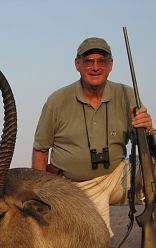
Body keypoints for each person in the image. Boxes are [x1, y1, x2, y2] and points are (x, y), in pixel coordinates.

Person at [32, 37, 156, 236]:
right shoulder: (57, 101)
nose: (95, 67)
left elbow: (147, 146)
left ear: (110, 65)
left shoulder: (127, 94)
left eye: (101, 61)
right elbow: (40, 150)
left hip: (117, 176)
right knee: (95, 243)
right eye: (89, 61)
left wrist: (149, 129)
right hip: (76, 186)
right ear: (77, 64)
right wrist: (40, 194)